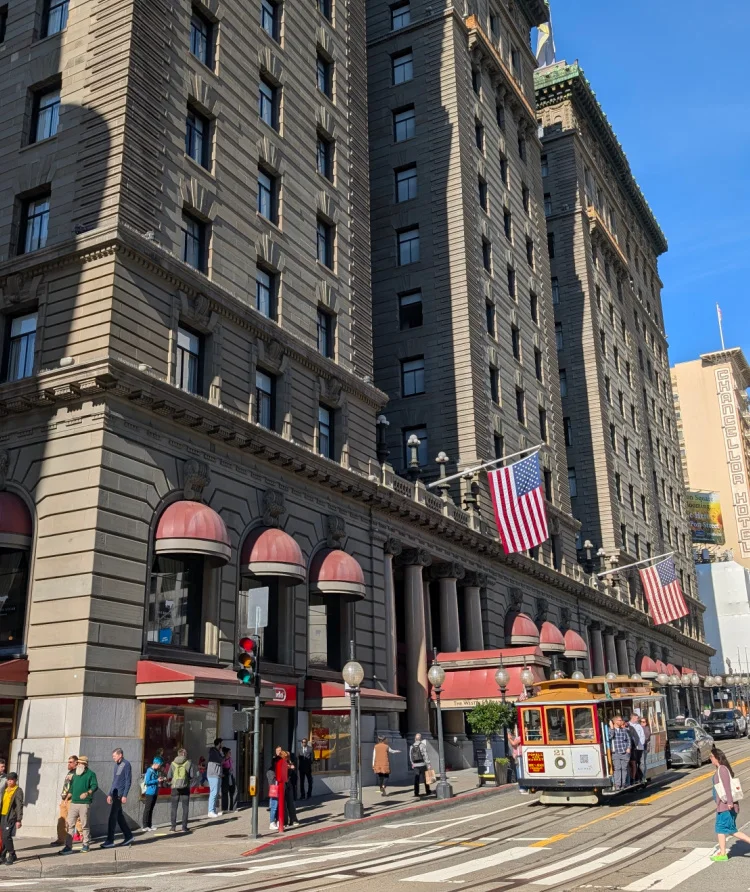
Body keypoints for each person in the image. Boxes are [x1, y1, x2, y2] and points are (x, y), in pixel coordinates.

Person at [710, 747, 750, 861]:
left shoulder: (722, 769)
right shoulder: (720, 769)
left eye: (711, 757)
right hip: (722, 805)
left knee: (724, 828)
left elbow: (727, 787)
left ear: (717, 757)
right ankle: (722, 852)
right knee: (725, 829)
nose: (710, 759)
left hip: (726, 806)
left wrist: (730, 802)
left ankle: (723, 854)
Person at [60, 754, 98, 854]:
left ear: (84, 764)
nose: (78, 765)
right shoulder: (75, 774)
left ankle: (86, 844)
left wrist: (87, 793)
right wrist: (67, 797)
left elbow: (95, 786)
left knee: (84, 824)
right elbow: (72, 788)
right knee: (70, 824)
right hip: (74, 802)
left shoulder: (91, 774)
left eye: (80, 763)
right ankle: (68, 846)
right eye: (78, 763)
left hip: (84, 803)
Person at [101, 748, 133, 849]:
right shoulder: (116, 766)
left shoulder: (126, 764)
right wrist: (110, 794)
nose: (113, 757)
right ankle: (129, 836)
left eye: (114, 756)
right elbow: (114, 781)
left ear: (120, 755)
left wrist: (125, 795)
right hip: (114, 794)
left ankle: (110, 840)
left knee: (112, 817)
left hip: (120, 795)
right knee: (119, 816)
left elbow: (128, 780)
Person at [167, 748, 194, 833]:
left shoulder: (173, 763)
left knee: (174, 807)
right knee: (185, 807)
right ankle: (184, 827)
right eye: (186, 753)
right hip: (185, 787)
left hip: (175, 787)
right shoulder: (188, 763)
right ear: (183, 754)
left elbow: (169, 776)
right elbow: (192, 775)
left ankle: (173, 827)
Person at [0, 772, 23, 866]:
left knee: (6, 836)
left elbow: (19, 806)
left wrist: (19, 820)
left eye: (11, 780)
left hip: (11, 817)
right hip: (2, 815)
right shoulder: (5, 789)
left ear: (15, 780)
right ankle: (2, 856)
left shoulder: (18, 790)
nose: (9, 782)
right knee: (3, 837)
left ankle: (12, 854)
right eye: (8, 780)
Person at [55, 755, 79, 846]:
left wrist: (69, 797)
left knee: (77, 820)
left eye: (70, 762)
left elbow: (75, 787)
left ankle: (85, 838)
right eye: (68, 762)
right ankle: (61, 839)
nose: (68, 764)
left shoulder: (77, 773)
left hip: (71, 799)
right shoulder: (70, 772)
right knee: (61, 820)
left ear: (76, 763)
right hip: (64, 799)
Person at [610, 716, 631, 790]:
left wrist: (628, 748)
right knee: (617, 768)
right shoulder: (611, 730)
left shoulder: (624, 730)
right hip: (616, 753)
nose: (621, 721)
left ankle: (623, 784)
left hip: (624, 752)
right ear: (615, 721)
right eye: (620, 720)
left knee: (624, 768)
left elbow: (629, 740)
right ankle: (617, 784)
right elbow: (610, 737)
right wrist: (612, 728)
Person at [142, 756, 163, 831]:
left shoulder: (156, 771)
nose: (160, 766)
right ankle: (145, 826)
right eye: (159, 765)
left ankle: (149, 825)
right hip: (150, 792)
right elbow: (147, 782)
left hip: (155, 792)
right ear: (156, 763)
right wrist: (156, 780)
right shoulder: (149, 771)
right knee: (147, 809)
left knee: (151, 809)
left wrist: (159, 780)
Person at [410, 733, 431, 797]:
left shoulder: (412, 746)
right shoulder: (422, 745)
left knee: (416, 779)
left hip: (415, 765)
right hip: (422, 764)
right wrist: (428, 763)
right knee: (425, 778)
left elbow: (410, 756)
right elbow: (425, 755)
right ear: (420, 739)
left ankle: (416, 792)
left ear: (415, 739)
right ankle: (427, 791)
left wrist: (412, 763)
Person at [206, 738, 223, 818]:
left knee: (216, 793)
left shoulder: (216, 752)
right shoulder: (213, 751)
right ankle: (210, 811)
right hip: (213, 774)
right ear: (219, 744)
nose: (222, 745)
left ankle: (214, 810)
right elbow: (220, 760)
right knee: (213, 792)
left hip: (217, 774)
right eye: (221, 743)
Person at [629, 714, 646, 782]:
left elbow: (642, 736)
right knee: (634, 763)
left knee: (641, 763)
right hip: (633, 748)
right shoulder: (628, 725)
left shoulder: (639, 726)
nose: (637, 719)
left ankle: (641, 778)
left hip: (639, 747)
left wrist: (640, 744)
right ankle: (635, 777)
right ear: (632, 718)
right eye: (636, 718)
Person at [221, 747, 236, 812]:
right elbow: (221, 767)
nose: (230, 753)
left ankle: (232, 808)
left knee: (232, 792)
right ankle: (225, 808)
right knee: (225, 792)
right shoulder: (223, 760)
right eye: (229, 752)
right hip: (225, 776)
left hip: (230, 776)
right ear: (226, 753)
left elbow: (232, 767)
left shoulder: (230, 759)